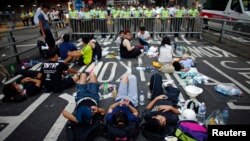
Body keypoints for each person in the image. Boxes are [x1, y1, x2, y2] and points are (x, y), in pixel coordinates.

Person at [106, 74, 140, 140]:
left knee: (124, 76)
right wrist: (128, 105)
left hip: (120, 98)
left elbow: (110, 107)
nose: (120, 111)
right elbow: (135, 111)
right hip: (132, 100)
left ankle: (125, 77)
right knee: (132, 77)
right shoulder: (130, 118)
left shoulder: (110, 118)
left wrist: (119, 103)